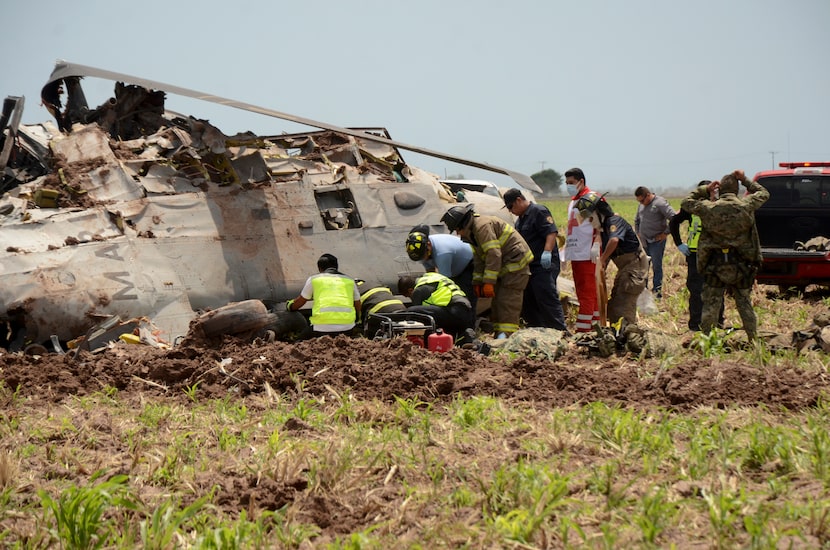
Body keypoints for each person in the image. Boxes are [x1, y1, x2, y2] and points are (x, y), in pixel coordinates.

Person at [681, 170, 770, 340]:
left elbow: (686, 203)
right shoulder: (747, 205)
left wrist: (705, 189)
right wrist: (744, 179)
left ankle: (707, 341)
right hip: (743, 265)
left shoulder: (708, 208)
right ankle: (753, 340)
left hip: (715, 265)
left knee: (711, 304)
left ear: (720, 190)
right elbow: (764, 193)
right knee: (744, 303)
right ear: (736, 190)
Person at [441, 203, 532, 338]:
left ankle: (507, 337)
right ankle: (500, 335)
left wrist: (488, 281)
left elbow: (493, 254)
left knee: (507, 303)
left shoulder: (482, 226)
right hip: (504, 267)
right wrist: (478, 281)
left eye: (456, 230)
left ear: (462, 225)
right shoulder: (472, 233)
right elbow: (479, 259)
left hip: (515, 266)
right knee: (496, 304)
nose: (457, 234)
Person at [575, 192, 648, 326]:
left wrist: (602, 260)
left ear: (598, 212)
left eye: (590, 218)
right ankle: (619, 336)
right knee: (614, 306)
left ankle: (629, 337)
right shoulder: (603, 229)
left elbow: (614, 240)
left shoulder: (614, 221)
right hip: (625, 269)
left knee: (623, 306)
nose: (589, 221)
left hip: (634, 268)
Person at [503, 188, 568, 332]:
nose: (510, 211)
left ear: (519, 200)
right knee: (529, 301)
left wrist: (547, 252)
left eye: (510, 207)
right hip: (530, 266)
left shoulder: (539, 211)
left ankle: (560, 331)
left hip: (543, 265)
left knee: (546, 297)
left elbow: (551, 233)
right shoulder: (520, 220)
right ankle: (537, 331)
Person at [669, 181, 723, 332]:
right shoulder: (693, 207)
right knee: (696, 289)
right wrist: (679, 243)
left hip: (715, 253)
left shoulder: (721, 205)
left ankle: (718, 323)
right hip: (695, 253)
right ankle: (695, 325)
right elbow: (673, 222)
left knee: (717, 288)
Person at [405, 224, 476, 322]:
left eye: (423, 256)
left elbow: (444, 281)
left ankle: (469, 326)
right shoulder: (423, 250)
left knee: (464, 295)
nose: (423, 260)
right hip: (454, 267)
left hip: (469, 264)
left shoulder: (442, 253)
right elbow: (430, 275)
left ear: (428, 246)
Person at [286, 253, 361, 338]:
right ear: (336, 266)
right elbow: (357, 303)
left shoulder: (314, 279)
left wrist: (290, 305)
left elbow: (300, 301)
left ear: (319, 268)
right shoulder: (350, 281)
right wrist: (357, 319)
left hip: (321, 329)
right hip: (347, 329)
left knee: (299, 341)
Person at [564, 167, 600, 332]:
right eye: (566, 183)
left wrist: (597, 242)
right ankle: (594, 326)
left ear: (581, 182)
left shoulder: (592, 198)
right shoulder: (573, 202)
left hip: (588, 253)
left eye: (571, 183)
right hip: (576, 253)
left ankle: (584, 331)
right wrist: (565, 251)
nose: (568, 186)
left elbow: (604, 223)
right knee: (582, 291)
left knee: (588, 291)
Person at [397, 273, 474, 342]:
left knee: (412, 311)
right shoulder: (431, 277)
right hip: (465, 312)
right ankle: (466, 338)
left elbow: (416, 315)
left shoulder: (418, 291)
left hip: (455, 310)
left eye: (408, 296)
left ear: (410, 290)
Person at [634, 186, 676, 299]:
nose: (642, 203)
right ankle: (644, 290)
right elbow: (637, 220)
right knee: (644, 266)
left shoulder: (660, 203)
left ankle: (657, 292)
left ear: (648, 195)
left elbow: (674, 218)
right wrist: (638, 232)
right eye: (639, 201)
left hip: (656, 242)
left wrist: (665, 233)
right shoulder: (641, 205)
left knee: (656, 266)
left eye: (643, 200)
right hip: (644, 242)